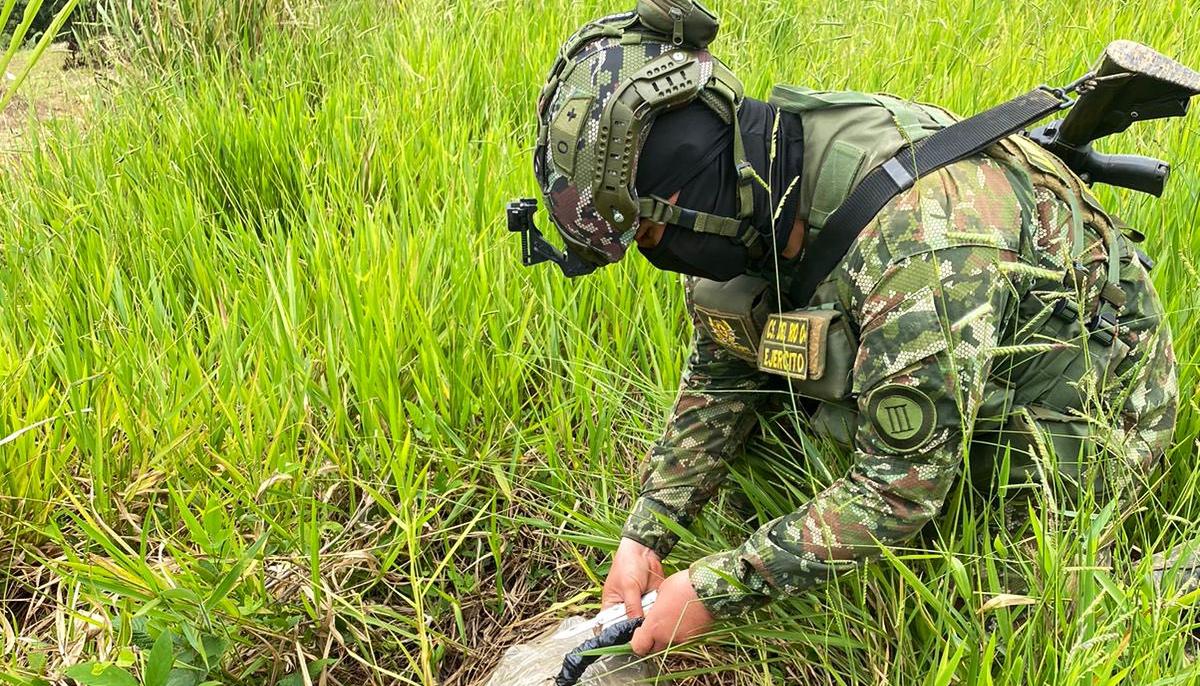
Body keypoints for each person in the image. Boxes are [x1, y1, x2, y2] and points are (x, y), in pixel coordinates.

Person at [528, 7, 1179, 659]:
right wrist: (649, 531)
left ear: (689, 189)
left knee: (992, 624)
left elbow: (900, 487)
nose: (657, 257)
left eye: (646, 234)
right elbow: (723, 377)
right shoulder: (760, 179)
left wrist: (714, 588)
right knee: (766, 425)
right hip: (959, 333)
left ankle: (1171, 592)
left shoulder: (919, 249)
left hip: (1084, 396)